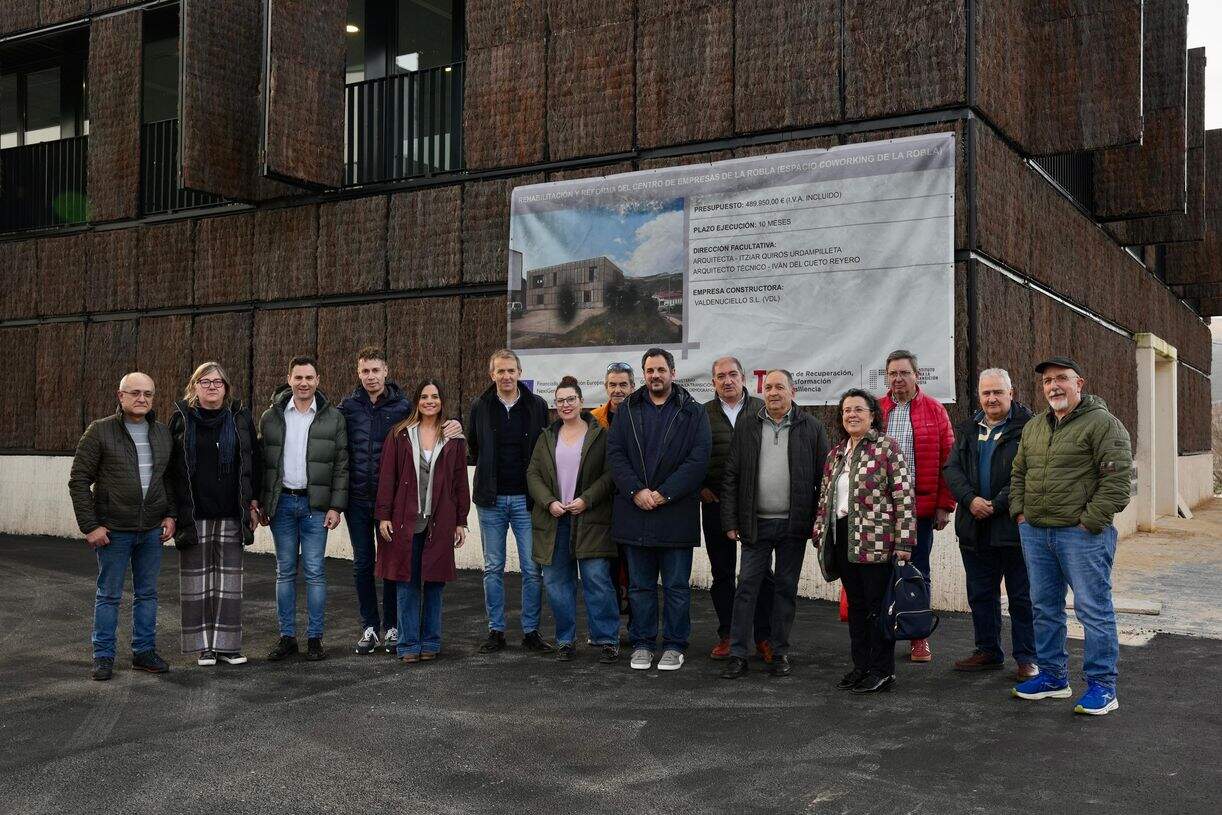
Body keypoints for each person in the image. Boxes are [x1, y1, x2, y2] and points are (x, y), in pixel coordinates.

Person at [1009, 357, 1132, 716]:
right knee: (1044, 608)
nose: (1054, 386)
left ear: (1079, 383)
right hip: (1036, 533)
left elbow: (1117, 482)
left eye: (1062, 378)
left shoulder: (1103, 424)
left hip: (1082, 536)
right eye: (1048, 381)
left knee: (1093, 610)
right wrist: (1021, 514)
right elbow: (1019, 472)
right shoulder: (1034, 426)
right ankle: (1052, 678)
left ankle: (1103, 687)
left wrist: (1089, 521)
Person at [339, 347, 461, 656]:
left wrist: (460, 519)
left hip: (416, 511)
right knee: (369, 565)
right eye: (365, 371)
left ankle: (398, 629)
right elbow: (347, 456)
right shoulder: (350, 408)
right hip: (368, 501)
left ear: (385, 371)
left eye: (375, 370)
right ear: (358, 372)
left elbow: (455, 475)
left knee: (409, 573)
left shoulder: (406, 411)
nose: (370, 376)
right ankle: (374, 627)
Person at [719, 370, 829, 679]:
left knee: (785, 589)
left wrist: (819, 523)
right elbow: (732, 475)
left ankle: (779, 652)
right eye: (768, 387)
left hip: (794, 525)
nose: (773, 392)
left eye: (780, 386)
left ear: (793, 391)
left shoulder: (812, 427)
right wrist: (730, 520)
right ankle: (738, 654)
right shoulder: (747, 425)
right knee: (747, 588)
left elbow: (825, 480)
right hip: (756, 524)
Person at [607, 348, 711, 672]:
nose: (655, 376)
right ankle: (642, 642)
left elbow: (698, 460)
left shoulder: (693, 411)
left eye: (661, 370)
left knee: (677, 587)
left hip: (675, 515)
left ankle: (675, 644)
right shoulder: (628, 410)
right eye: (650, 370)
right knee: (640, 586)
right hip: (635, 512)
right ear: (643, 374)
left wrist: (664, 494)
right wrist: (637, 491)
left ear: (673, 373)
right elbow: (616, 454)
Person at [69, 372, 177, 681]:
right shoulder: (100, 431)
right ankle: (103, 656)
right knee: (109, 595)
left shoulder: (161, 433)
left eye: (148, 394)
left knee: (148, 594)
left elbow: (167, 478)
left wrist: (170, 515)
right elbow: (78, 481)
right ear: (121, 396)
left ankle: (143, 652)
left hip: (152, 530)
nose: (142, 399)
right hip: (113, 531)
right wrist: (90, 526)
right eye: (135, 393)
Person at [812, 389, 915, 694]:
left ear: (872, 414)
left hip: (877, 541)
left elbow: (903, 498)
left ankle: (882, 670)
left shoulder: (887, 448)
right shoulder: (836, 454)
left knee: (877, 607)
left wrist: (904, 542)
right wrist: (819, 531)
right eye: (846, 410)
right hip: (843, 538)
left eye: (859, 409)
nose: (852, 415)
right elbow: (825, 498)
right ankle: (861, 666)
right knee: (855, 607)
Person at [942, 368, 1037, 680]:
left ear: (1011, 394)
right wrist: (970, 500)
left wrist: (996, 504)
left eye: (998, 392)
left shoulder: (1029, 428)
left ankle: (1026, 658)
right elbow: (952, 469)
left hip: (1012, 527)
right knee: (981, 593)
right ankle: (987, 651)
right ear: (980, 396)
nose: (992, 398)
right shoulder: (968, 428)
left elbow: (1028, 472)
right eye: (987, 393)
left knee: (1021, 596)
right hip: (975, 526)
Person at [169, 362, 262, 667]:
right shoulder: (182, 419)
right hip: (194, 514)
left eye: (218, 382)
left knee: (228, 583)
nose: (212, 387)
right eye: (205, 381)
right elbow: (171, 470)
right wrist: (171, 512)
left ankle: (228, 646)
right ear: (194, 386)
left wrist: (252, 502)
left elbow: (254, 461)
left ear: (226, 387)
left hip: (231, 512)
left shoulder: (239, 417)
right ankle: (203, 647)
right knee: (197, 584)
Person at [258, 356, 349, 663]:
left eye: (309, 377)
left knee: (314, 572)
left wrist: (336, 506)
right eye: (298, 377)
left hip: (315, 507)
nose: (304, 383)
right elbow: (263, 465)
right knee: (284, 572)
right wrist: (262, 501)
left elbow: (341, 466)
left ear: (318, 380)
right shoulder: (271, 416)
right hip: (282, 503)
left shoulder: (332, 418)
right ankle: (286, 637)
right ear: (289, 379)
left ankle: (314, 638)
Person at [527, 376, 620, 663]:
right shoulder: (546, 438)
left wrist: (586, 499)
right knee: (556, 583)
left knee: (596, 579)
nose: (565, 405)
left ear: (581, 402)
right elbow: (533, 475)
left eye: (571, 399)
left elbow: (610, 475)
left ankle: (606, 638)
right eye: (560, 401)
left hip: (590, 520)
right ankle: (565, 640)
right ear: (555, 406)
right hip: (554, 521)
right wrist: (549, 502)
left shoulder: (600, 435)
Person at [375, 380, 469, 662]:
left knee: (435, 584)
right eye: (425, 396)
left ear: (442, 401)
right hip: (405, 521)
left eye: (435, 396)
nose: (430, 401)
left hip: (439, 522)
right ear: (417, 401)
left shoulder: (453, 438)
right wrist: (383, 516)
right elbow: (387, 477)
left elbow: (460, 483)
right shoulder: (401, 434)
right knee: (407, 583)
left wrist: (460, 521)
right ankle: (407, 645)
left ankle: (430, 642)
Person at [467, 349, 551, 653]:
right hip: (491, 500)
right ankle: (496, 631)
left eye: (511, 371)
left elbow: (544, 450)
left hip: (527, 500)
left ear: (519, 373)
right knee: (493, 568)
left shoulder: (537, 405)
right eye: (500, 371)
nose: (506, 376)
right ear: (492, 375)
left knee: (532, 569)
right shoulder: (480, 406)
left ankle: (531, 632)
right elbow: (474, 447)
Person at [878, 349, 955, 663]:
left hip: (918, 509)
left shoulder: (935, 410)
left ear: (916, 376)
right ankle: (882, 634)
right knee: (879, 575)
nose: (898, 379)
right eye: (893, 373)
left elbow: (949, 461)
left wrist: (945, 505)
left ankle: (918, 637)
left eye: (904, 373)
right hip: (879, 511)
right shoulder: (876, 409)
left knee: (916, 573)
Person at [701, 355, 771, 662]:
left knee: (760, 574)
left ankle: (764, 636)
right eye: (721, 376)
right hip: (716, 503)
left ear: (743, 377)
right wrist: (699, 487)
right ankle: (728, 633)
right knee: (722, 573)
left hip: (757, 506)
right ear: (713, 382)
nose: (727, 381)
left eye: (733, 375)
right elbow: (692, 455)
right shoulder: (701, 414)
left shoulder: (761, 410)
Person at [590, 361, 634, 428]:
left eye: (623, 385)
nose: (617, 390)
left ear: (632, 387)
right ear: (606, 387)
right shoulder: (594, 417)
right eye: (613, 385)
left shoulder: (645, 415)